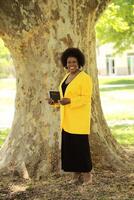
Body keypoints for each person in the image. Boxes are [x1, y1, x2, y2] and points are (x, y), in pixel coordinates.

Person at [48, 47, 93, 184]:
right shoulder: (66, 77)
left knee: (81, 148)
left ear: (79, 62)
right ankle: (75, 175)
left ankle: (87, 176)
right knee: (70, 150)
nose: (71, 65)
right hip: (66, 120)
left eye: (74, 62)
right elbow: (63, 98)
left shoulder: (85, 78)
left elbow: (86, 98)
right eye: (68, 62)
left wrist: (70, 101)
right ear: (65, 64)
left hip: (79, 120)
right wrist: (54, 102)